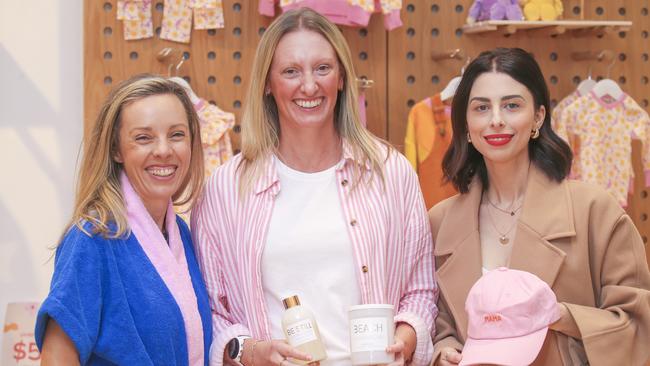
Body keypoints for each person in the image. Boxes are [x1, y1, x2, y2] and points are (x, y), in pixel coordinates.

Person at [191, 7, 436, 366]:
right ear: (268, 85)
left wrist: (407, 337)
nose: (309, 85)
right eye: (291, 71)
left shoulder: (390, 172)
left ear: (341, 78)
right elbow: (214, 310)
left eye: (323, 68)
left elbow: (421, 290)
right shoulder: (226, 189)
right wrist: (250, 351)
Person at [429, 47, 650, 366]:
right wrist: (443, 350)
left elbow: (639, 323)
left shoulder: (594, 211)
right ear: (465, 124)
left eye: (512, 105)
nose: (496, 120)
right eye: (481, 108)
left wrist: (561, 316)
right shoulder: (439, 222)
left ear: (538, 117)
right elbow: (439, 322)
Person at [35, 75, 213, 365]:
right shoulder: (92, 237)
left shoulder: (179, 234)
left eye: (177, 134)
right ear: (116, 149)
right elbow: (57, 358)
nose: (164, 150)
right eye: (143, 137)